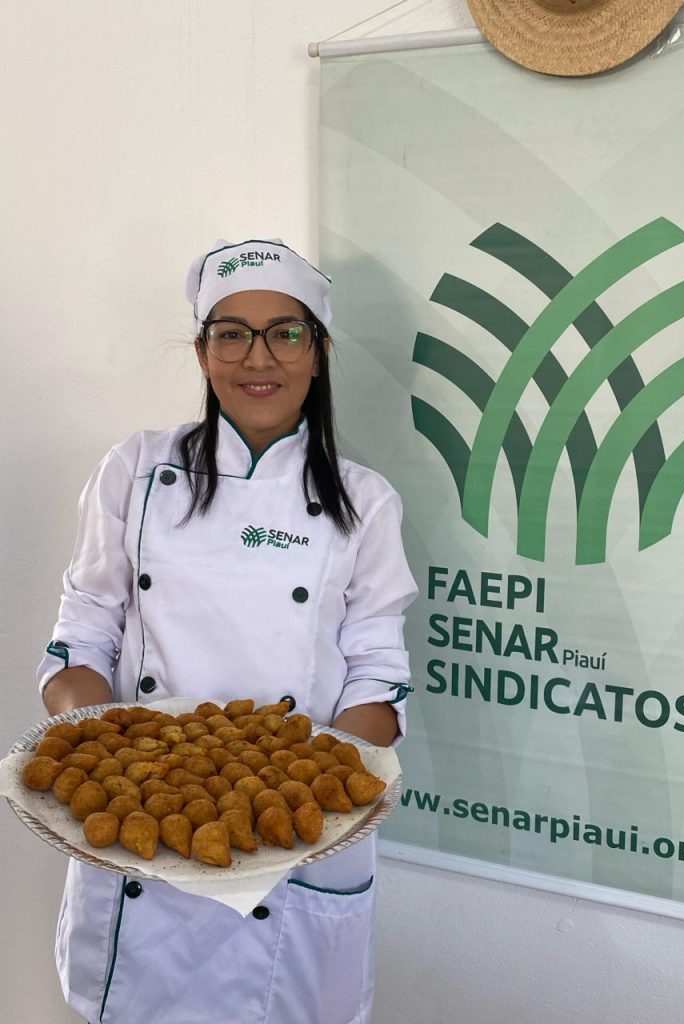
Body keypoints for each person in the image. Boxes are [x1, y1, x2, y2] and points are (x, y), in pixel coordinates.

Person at [37, 237, 418, 1024]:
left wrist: (314, 798)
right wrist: (98, 742)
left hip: (295, 862)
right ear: (202, 350)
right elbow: (83, 633)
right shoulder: (135, 471)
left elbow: (379, 674)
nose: (258, 357)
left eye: (286, 332)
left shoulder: (365, 501)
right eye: (231, 333)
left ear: (318, 352)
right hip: (141, 848)